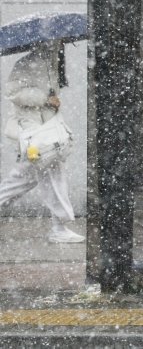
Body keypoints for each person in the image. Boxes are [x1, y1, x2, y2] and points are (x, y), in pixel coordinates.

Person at [0, 41, 84, 243]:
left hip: (46, 132)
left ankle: (59, 228)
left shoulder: (52, 63)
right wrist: (45, 98)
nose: (60, 45)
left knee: (49, 178)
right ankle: (59, 229)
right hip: (34, 133)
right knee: (26, 178)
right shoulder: (27, 63)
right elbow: (13, 92)